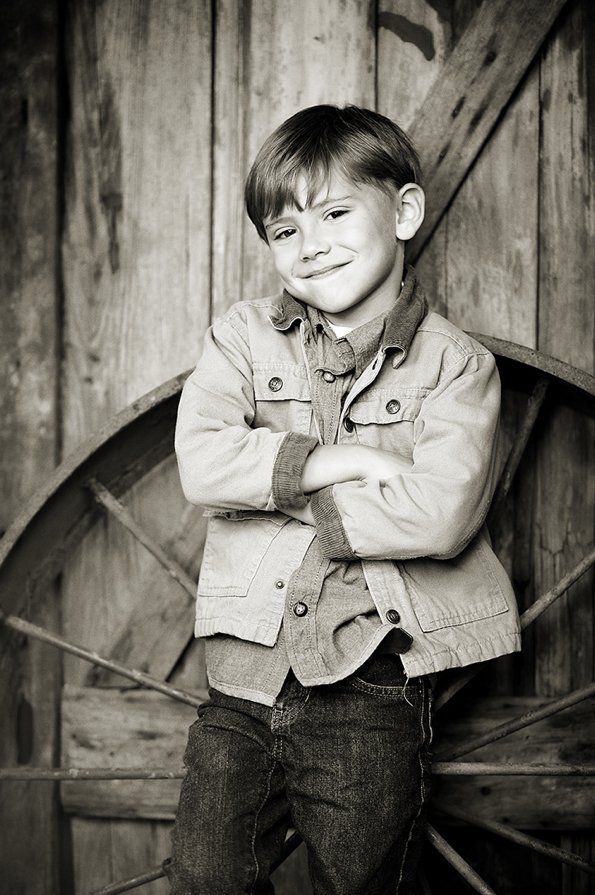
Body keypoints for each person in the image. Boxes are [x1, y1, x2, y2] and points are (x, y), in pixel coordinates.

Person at [167, 104, 521, 895]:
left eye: (333, 213)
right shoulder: (240, 337)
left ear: (402, 211)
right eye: (284, 229)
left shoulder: (455, 366)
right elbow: (201, 462)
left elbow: (440, 513)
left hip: (371, 681)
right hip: (244, 675)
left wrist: (278, 490)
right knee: (202, 875)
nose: (310, 243)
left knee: (362, 880)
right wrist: (338, 460)